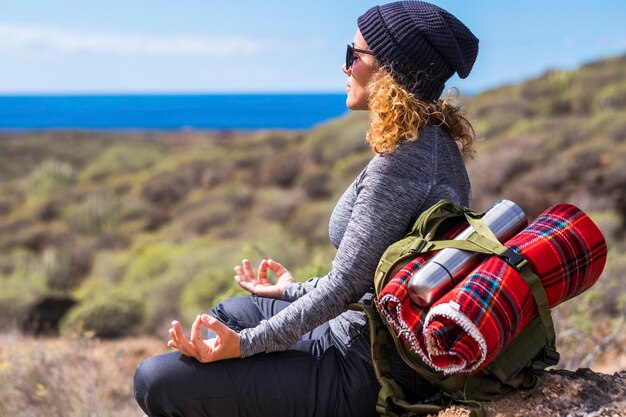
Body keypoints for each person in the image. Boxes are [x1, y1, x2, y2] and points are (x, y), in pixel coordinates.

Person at [134, 1, 479, 416]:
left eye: (354, 55)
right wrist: (287, 290)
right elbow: (371, 277)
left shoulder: (404, 162)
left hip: (364, 366)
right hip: (369, 335)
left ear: (389, 71)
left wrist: (244, 346)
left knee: (154, 381)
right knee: (232, 311)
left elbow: (345, 290)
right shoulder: (432, 143)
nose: (345, 66)